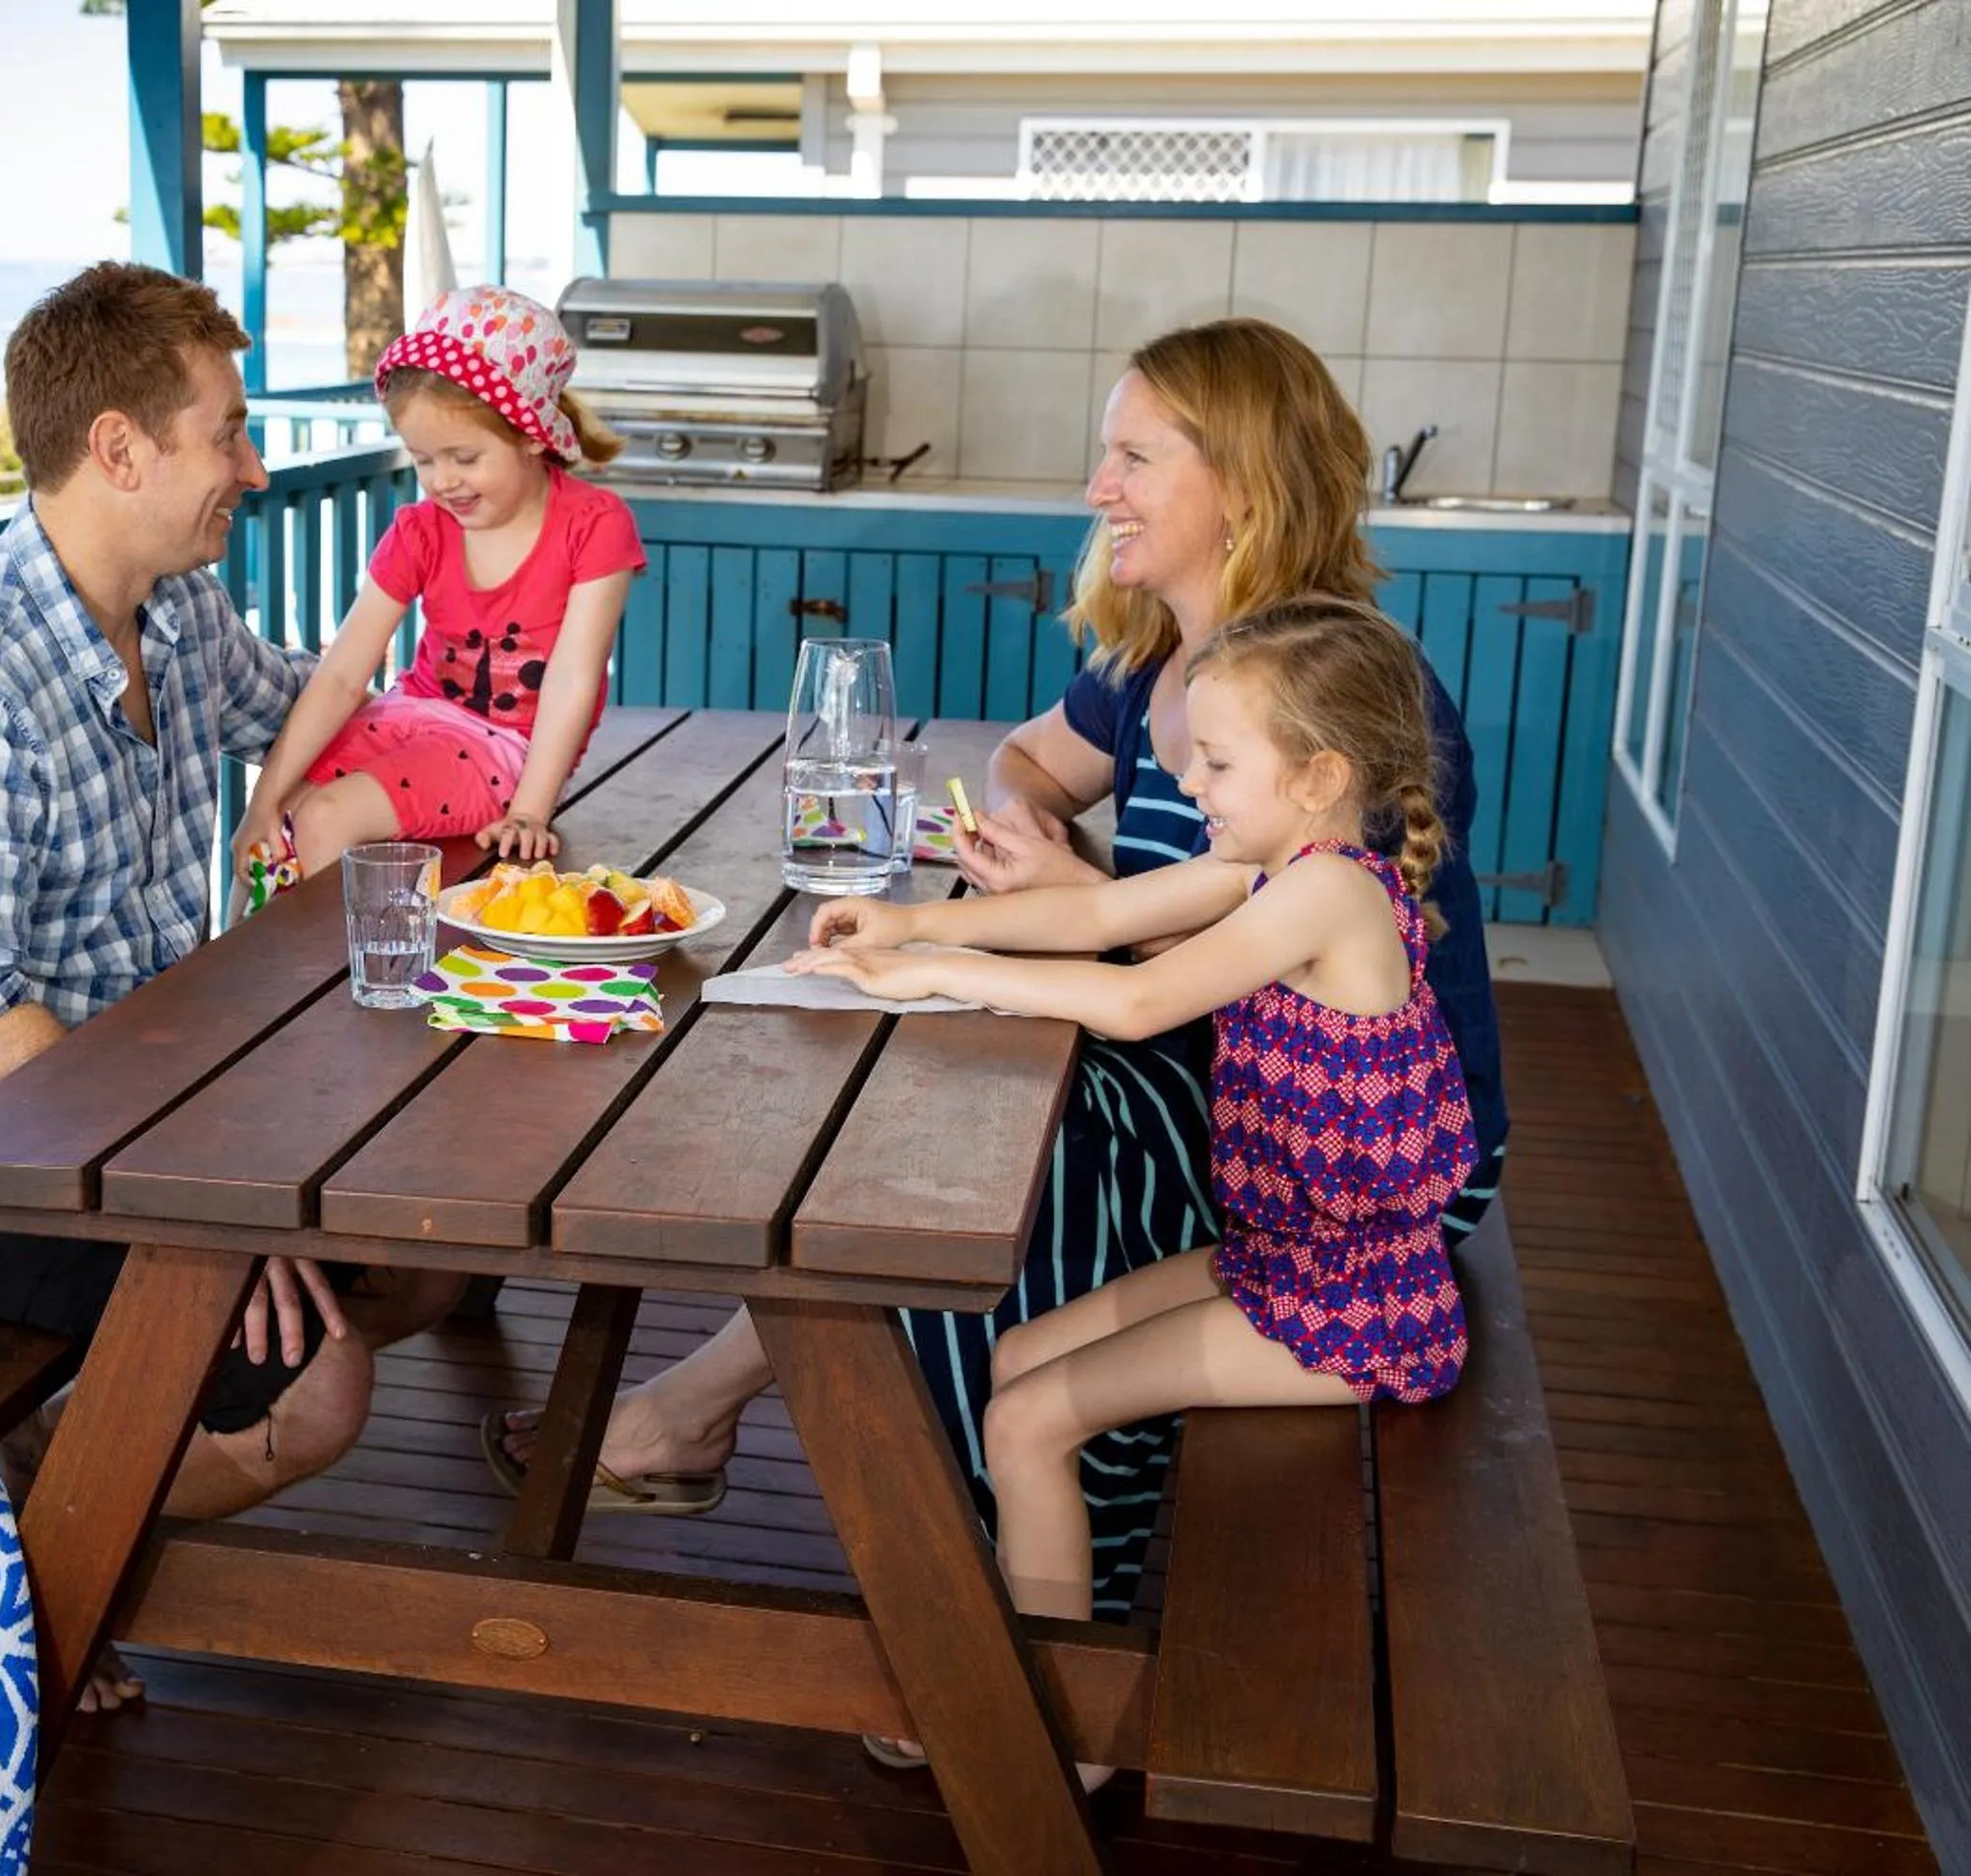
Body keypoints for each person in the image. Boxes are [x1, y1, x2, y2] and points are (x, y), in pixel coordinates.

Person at [484, 317, 1509, 1606]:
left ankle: (1009, 1571)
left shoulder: (1337, 701)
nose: (1098, 491)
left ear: (1243, 485)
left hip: (1360, 1171)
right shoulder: (1160, 667)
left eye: (1133, 458)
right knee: (952, 1104)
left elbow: (1216, 972)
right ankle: (957, 1530)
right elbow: (1031, 773)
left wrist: (1071, 906)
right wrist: (990, 885)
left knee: (991, 1148)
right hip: (1224, 1085)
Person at [0, 263, 464, 1704]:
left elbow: (319, 706)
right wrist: (199, 1198)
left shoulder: (170, 611)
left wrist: (500, 750)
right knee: (323, 1383)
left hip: (128, 1108)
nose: (254, 466)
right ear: (119, 448)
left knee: (426, 1248)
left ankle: (42, 1461)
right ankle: (13, 1594)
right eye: (226, 431)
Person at [794, 596, 1478, 1778]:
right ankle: (1026, 1635)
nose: (1190, 782)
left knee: (1025, 1417)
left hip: (1353, 1303)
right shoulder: (1283, 865)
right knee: (1014, 1362)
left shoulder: (1328, 894)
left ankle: (1062, 1731)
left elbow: (1136, 997)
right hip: (1279, 1256)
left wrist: (936, 974)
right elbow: (1104, 911)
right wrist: (907, 918)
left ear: (1318, 773)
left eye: (1216, 761)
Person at [231, 284, 644, 887]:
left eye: (464, 457)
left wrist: (530, 809)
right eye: (424, 460)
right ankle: (255, 975)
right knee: (275, 832)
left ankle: (339, 980)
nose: (443, 481)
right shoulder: (421, 531)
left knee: (324, 819)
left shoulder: (594, 526)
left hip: (507, 746)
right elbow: (344, 673)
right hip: (408, 716)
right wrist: (260, 801)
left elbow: (573, 678)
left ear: (532, 433)